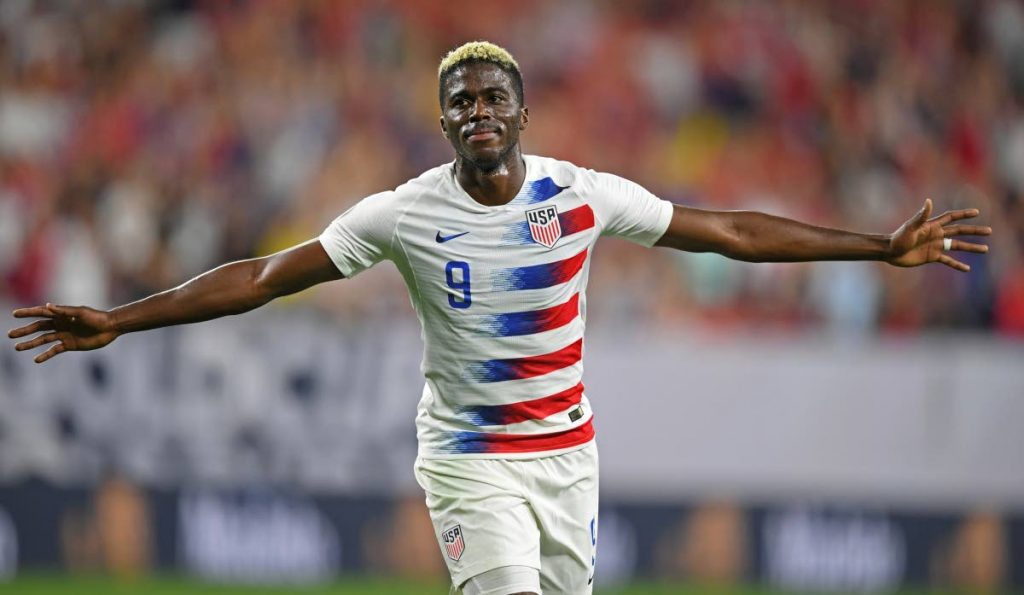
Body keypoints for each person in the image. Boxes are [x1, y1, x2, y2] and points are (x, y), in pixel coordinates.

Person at [7, 41, 991, 595]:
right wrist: (124, 320)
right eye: (458, 100)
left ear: (521, 115)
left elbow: (726, 228)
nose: (475, 109)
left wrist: (875, 246)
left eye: (491, 96)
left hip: (568, 457)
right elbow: (264, 275)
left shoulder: (581, 195)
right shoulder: (402, 213)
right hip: (470, 460)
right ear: (443, 124)